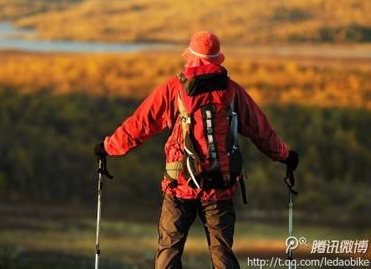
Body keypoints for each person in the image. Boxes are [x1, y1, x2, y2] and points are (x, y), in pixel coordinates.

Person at [95, 31, 299, 269]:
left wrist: (107, 147)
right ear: (217, 59)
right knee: (222, 254)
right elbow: (261, 131)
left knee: (169, 253)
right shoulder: (233, 91)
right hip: (220, 189)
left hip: (179, 186)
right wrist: (285, 156)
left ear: (190, 56)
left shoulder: (174, 88)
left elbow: (140, 125)